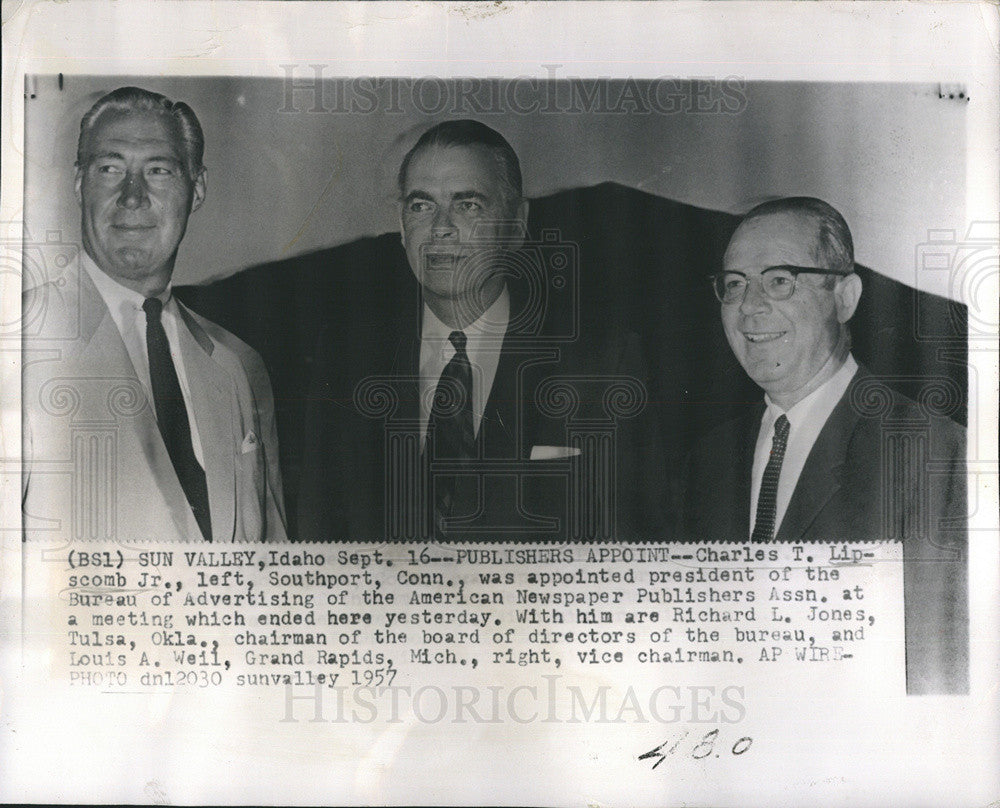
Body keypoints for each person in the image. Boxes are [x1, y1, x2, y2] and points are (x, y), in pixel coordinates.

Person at [298, 120, 667, 541]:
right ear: (402, 227)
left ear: (516, 223)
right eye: (421, 205)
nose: (441, 227)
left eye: (467, 205)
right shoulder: (346, 361)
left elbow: (634, 556)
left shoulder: (602, 364)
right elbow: (319, 539)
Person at [683, 196, 967, 693]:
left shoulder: (933, 454)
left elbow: (939, 673)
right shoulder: (706, 460)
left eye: (779, 280)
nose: (749, 307)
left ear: (845, 297)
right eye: (733, 285)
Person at [22, 86, 286, 542]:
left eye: (159, 170)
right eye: (110, 168)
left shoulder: (237, 366)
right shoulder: (21, 341)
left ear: (197, 188)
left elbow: (274, 569)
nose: (132, 196)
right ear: (79, 182)